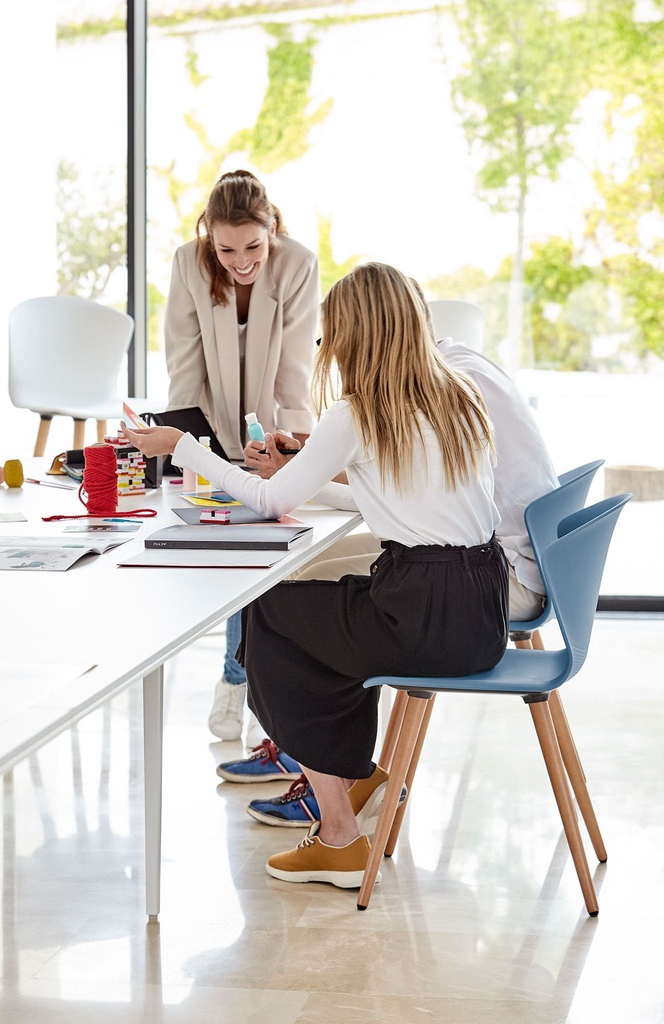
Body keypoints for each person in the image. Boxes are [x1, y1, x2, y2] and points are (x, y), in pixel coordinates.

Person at [121, 262, 510, 890]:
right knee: (318, 620)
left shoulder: (359, 413)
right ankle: (354, 779)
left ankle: (338, 834)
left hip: (419, 613)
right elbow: (391, 499)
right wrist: (300, 475)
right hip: (481, 609)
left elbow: (267, 502)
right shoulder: (457, 397)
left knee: (270, 616)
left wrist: (183, 448)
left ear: (353, 335)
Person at [215, 284, 560, 829]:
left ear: (358, 336)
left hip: (469, 594)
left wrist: (183, 449)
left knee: (278, 606)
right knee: (302, 587)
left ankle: (331, 793)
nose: (330, 351)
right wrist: (311, 461)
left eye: (331, 337)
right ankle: (338, 768)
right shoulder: (453, 382)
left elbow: (285, 496)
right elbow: (403, 485)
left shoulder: (398, 398)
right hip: (485, 589)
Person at [164, 168, 319, 745]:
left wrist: (291, 454)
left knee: (266, 558)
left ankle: (245, 684)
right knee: (236, 557)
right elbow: (184, 362)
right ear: (208, 236)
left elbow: (295, 367)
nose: (241, 261)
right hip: (211, 427)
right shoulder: (189, 263)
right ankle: (239, 680)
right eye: (226, 249)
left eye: (253, 246)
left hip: (274, 432)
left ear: (271, 228)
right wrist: (187, 448)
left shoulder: (297, 264)